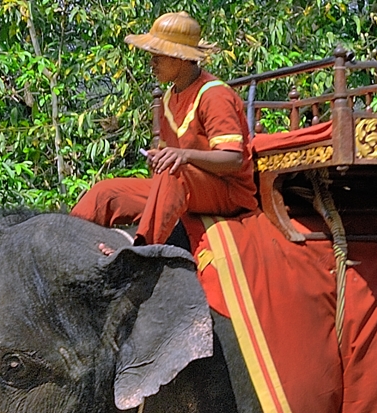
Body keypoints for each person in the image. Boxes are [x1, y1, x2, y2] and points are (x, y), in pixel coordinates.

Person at [70, 11, 258, 245]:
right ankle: (66, 245)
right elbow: (171, 157)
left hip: (227, 193)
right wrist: (159, 158)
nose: (152, 63)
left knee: (173, 172)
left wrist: (182, 155)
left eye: (157, 56)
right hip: (180, 185)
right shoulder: (170, 97)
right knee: (105, 192)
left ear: (179, 57)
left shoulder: (214, 94)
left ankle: (141, 252)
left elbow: (233, 159)